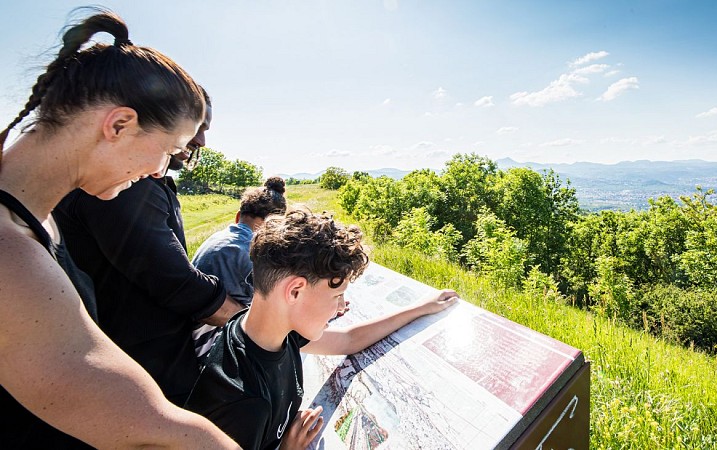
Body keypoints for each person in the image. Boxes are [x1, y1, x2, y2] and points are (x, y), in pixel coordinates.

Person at [0, 9, 238, 449]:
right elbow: (153, 432)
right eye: (171, 151)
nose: (161, 171)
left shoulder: (40, 219)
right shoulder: (10, 256)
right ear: (119, 124)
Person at [184, 210, 459, 450]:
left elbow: (349, 339)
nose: (340, 307)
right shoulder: (244, 404)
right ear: (295, 291)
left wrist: (419, 308)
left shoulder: (268, 330)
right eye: (336, 295)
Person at [53, 87, 247, 406]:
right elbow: (175, 281)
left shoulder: (147, 183)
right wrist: (257, 323)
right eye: (196, 127)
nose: (201, 142)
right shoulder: (126, 186)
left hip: (148, 366)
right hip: (142, 374)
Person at [191, 176, 288, 358]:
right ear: (274, 225)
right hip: (206, 348)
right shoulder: (253, 252)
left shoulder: (219, 237)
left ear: (238, 216)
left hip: (186, 335)